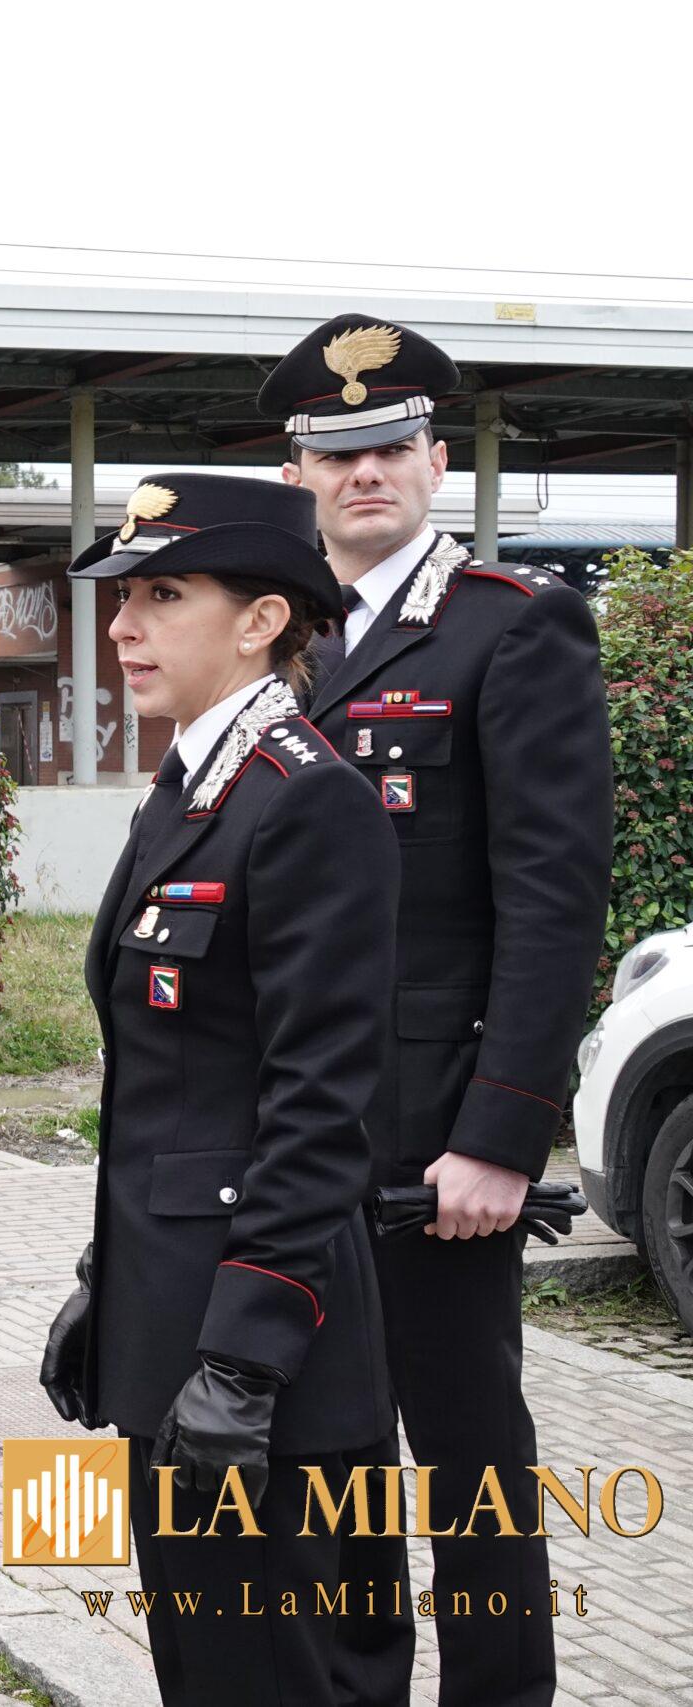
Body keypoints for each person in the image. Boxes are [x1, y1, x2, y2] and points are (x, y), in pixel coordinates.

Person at [264, 315, 612, 1707]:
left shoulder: (509, 628)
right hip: (297, 1129)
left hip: (434, 1144)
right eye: (337, 451)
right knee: (330, 1447)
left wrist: (504, 1132)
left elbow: (552, 899)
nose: (367, 472)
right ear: (298, 470)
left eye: (391, 445)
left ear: (435, 457)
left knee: (469, 1456)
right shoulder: (271, 635)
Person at [39, 473, 402, 1707]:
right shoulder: (189, 789)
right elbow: (169, 1092)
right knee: (204, 1670)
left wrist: (241, 1363)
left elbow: (316, 1110)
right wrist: (111, 1284)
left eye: (162, 594)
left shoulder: (308, 804)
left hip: (264, 1359)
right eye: (123, 597)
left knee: (283, 1677)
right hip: (171, 1326)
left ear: (260, 621)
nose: (123, 626)